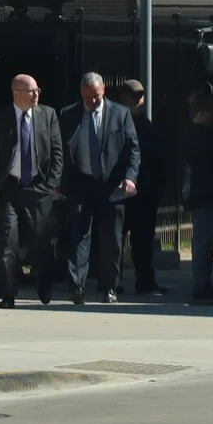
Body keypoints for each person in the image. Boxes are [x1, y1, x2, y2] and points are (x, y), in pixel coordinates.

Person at [56, 70, 140, 304]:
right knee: (79, 237)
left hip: (112, 186)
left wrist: (130, 177)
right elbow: (60, 149)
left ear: (103, 91)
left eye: (96, 97)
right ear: (81, 93)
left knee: (111, 240)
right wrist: (60, 182)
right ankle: (77, 286)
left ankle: (110, 287)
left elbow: (133, 149)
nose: (92, 102)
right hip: (81, 184)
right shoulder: (69, 114)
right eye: (87, 97)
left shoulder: (120, 114)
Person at [0, 73, 63, 307]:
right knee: (8, 240)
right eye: (31, 91)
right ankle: (8, 293)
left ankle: (44, 285)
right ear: (17, 94)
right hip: (8, 188)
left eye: (38, 90)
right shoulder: (0, 118)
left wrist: (52, 184)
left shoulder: (48, 115)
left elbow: (57, 153)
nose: (37, 94)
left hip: (38, 186)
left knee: (41, 241)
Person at [182, 83, 213, 303]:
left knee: (205, 242)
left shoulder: (191, 135)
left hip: (202, 196)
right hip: (207, 196)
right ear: (201, 113)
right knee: (204, 242)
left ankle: (204, 283)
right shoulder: (202, 136)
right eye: (209, 112)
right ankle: (202, 285)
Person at [116, 78, 165, 296]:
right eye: (134, 97)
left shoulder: (146, 125)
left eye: (140, 96)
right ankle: (112, 281)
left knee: (143, 241)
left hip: (145, 192)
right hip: (122, 190)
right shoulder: (116, 122)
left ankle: (145, 280)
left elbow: (156, 158)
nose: (139, 101)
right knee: (116, 238)